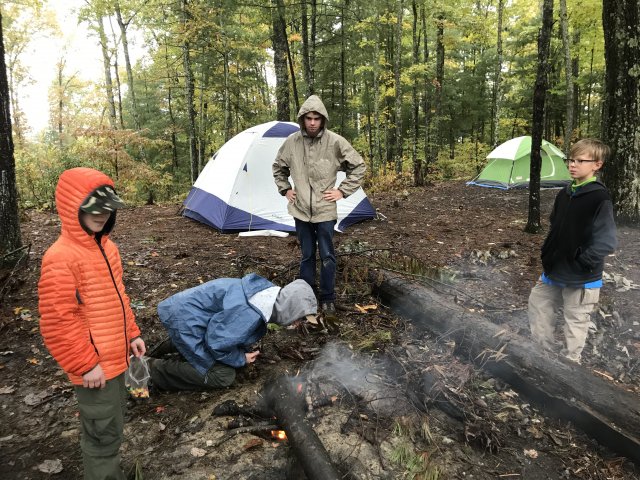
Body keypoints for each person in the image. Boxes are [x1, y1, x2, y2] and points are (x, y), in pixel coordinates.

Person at [38, 167, 146, 480]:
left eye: (107, 208)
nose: (102, 215)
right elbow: (58, 320)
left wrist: (132, 334)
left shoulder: (107, 248)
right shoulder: (60, 257)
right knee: (101, 437)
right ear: (73, 208)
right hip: (94, 367)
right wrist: (85, 365)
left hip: (116, 358)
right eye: (94, 208)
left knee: (110, 424)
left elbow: (118, 297)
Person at [272, 95, 366, 315]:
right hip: (301, 209)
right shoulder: (292, 142)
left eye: (316, 118)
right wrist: (285, 188)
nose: (312, 122)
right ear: (303, 119)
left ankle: (327, 297)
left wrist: (342, 191)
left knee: (327, 255)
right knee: (306, 255)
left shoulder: (335, 142)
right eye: (308, 118)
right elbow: (278, 167)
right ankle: (306, 297)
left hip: (325, 210)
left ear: (323, 119)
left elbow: (358, 166)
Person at [528, 138, 617, 363]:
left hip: (581, 275)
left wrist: (581, 261)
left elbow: (606, 242)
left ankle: (570, 366)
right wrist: (548, 253)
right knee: (538, 303)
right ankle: (543, 356)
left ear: (597, 164)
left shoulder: (599, 197)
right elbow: (555, 225)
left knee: (575, 320)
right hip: (555, 268)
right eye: (570, 159)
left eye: (580, 160)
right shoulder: (565, 192)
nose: (572, 164)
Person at [147, 274, 317, 391]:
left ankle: (155, 350)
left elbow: (225, 329)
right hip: (186, 323)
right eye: (299, 318)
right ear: (289, 309)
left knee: (220, 354)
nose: (297, 323)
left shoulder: (264, 294)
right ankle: (150, 369)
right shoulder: (248, 313)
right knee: (223, 375)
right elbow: (216, 343)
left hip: (187, 314)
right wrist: (240, 358)